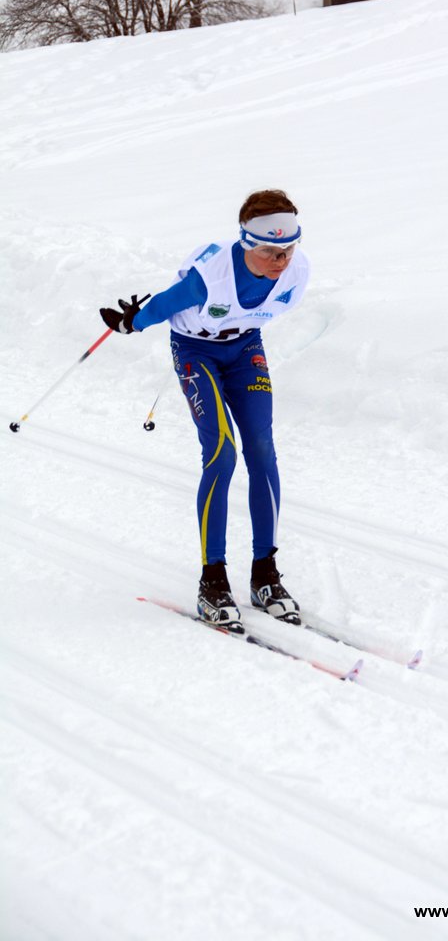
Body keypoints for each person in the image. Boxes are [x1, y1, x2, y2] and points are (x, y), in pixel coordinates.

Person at [100, 189, 310, 634]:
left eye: (289, 249)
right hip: (197, 353)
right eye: (272, 252)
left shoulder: (297, 272)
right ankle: (212, 580)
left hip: (245, 348)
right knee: (222, 453)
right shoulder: (210, 276)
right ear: (248, 245)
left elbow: (263, 306)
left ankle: (264, 575)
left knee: (261, 450)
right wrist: (129, 322)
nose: (282, 261)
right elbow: (160, 306)